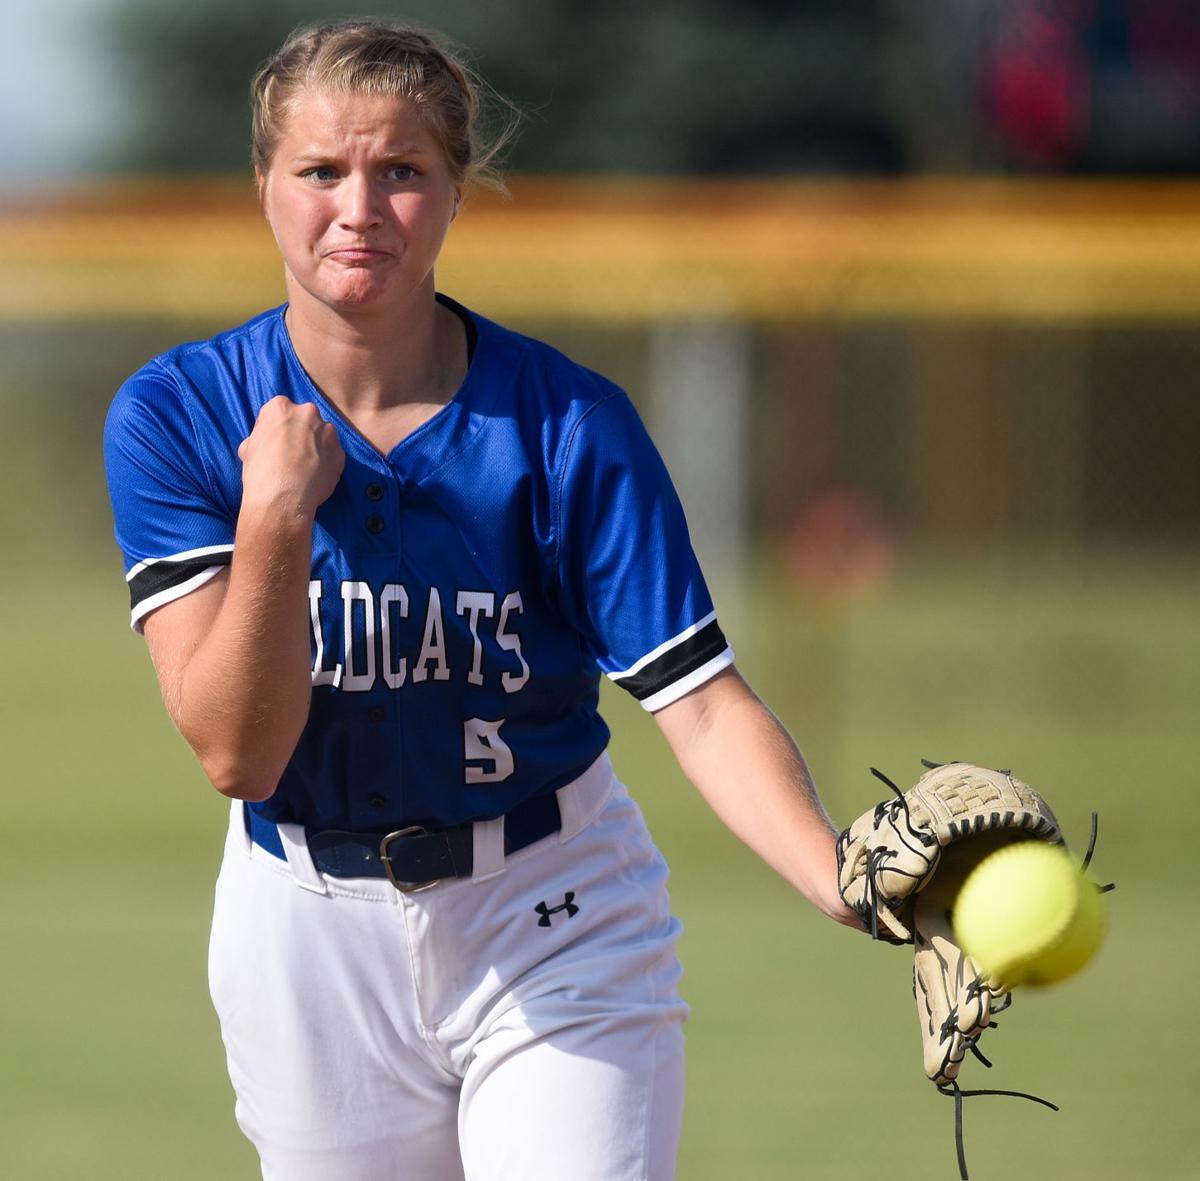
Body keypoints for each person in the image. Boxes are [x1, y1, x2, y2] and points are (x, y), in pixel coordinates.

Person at [103, 18, 860, 1181]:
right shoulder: (181, 416)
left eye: (402, 170)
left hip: (552, 909)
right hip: (305, 929)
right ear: (265, 187)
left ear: (458, 191)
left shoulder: (567, 424)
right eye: (320, 170)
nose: (359, 207)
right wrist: (273, 520)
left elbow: (699, 702)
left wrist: (845, 879)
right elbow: (237, 754)